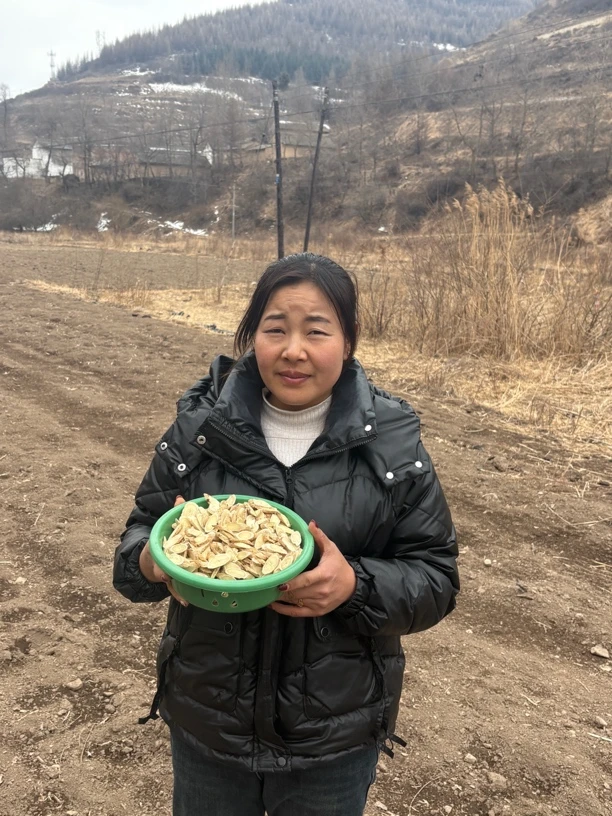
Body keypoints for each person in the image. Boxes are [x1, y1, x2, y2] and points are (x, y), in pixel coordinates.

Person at [113, 253, 459, 816]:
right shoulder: (199, 433)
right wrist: (155, 561)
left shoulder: (393, 446)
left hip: (334, 737)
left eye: (316, 330)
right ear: (253, 337)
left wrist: (355, 586)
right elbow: (136, 541)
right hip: (209, 726)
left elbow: (436, 576)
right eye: (275, 329)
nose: (293, 350)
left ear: (348, 341)